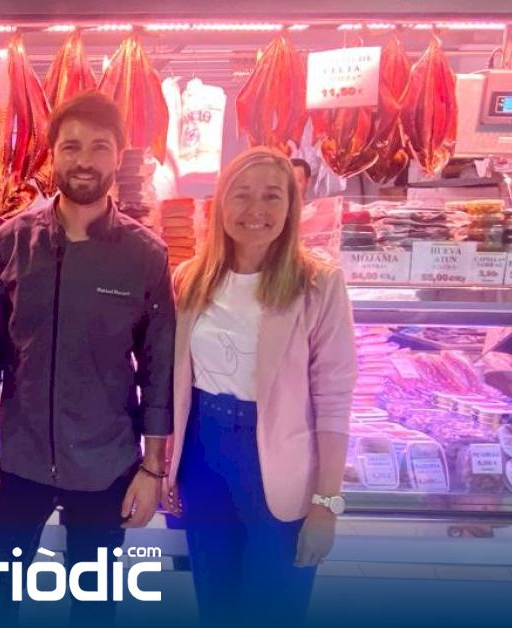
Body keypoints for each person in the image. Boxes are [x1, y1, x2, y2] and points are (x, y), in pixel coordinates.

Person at [0, 91, 175, 626]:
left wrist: (152, 469)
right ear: (52, 154)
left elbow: (158, 373)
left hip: (106, 464)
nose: (85, 160)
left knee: (93, 609)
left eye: (99, 147)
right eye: (71, 146)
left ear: (119, 155)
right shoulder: (12, 241)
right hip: (18, 458)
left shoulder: (146, 255)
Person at [165, 147, 356, 625]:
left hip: (280, 465)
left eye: (272, 196)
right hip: (203, 461)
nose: (256, 210)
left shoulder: (319, 284)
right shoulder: (190, 279)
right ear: (219, 204)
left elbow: (334, 400)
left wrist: (326, 505)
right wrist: (165, 466)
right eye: (242, 195)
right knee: (215, 604)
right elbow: (175, 384)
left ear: (291, 206)